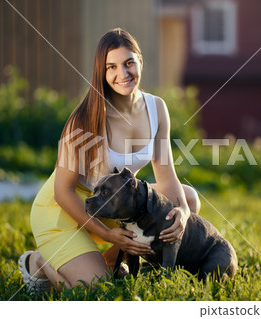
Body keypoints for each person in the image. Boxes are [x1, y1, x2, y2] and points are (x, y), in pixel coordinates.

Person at [18, 28, 201, 293]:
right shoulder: (84, 118)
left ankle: (111, 260)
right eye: (111, 67)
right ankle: (37, 261)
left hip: (113, 204)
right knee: (97, 288)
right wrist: (107, 234)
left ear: (140, 60)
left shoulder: (157, 108)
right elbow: (62, 191)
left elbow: (167, 177)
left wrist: (182, 213)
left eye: (128, 63)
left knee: (188, 199)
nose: (122, 74)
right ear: (101, 72)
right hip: (65, 210)